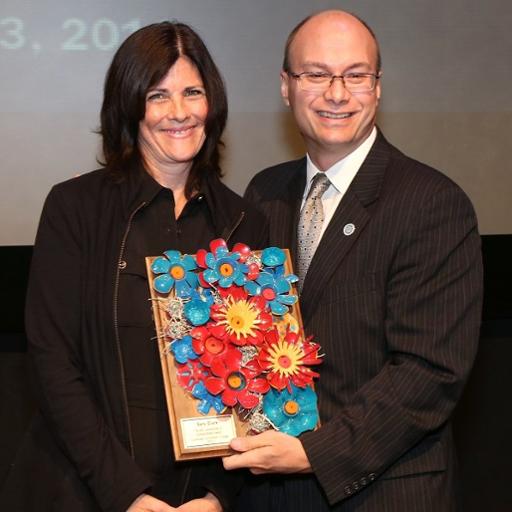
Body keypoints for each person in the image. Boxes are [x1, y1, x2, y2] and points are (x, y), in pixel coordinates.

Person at [223, 10, 483, 511]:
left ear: (378, 87)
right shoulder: (263, 193)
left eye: (355, 75)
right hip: (269, 492)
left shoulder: (432, 202)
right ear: (286, 87)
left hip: (382, 491)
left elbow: (430, 373)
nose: (337, 93)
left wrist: (312, 452)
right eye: (316, 74)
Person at [2, 21, 267, 512]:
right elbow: (52, 361)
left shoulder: (245, 222)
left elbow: (253, 378)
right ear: (129, 105)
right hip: (85, 493)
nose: (180, 112)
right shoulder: (74, 208)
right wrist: (126, 495)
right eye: (157, 96)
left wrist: (217, 495)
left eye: (193, 92)